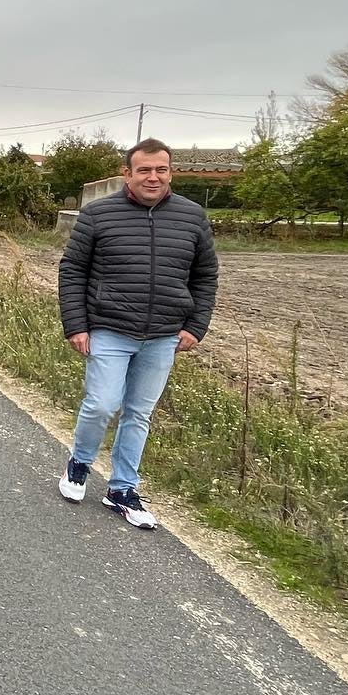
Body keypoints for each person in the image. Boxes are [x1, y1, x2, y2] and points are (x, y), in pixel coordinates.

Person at [57, 137, 219, 529]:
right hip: (110, 329)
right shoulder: (97, 215)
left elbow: (205, 275)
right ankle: (79, 463)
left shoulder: (192, 216)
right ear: (127, 173)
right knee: (101, 404)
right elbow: (72, 270)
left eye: (160, 169)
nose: (153, 177)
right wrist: (76, 325)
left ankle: (122, 489)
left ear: (170, 172)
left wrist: (196, 326)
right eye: (144, 169)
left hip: (163, 334)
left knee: (139, 413)